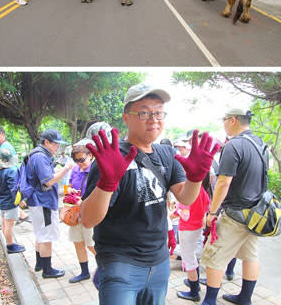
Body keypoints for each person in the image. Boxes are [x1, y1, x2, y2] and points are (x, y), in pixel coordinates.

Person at [80, 83, 220, 305]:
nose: (154, 118)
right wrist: (107, 183)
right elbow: (87, 220)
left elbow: (185, 197)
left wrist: (196, 178)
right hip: (120, 264)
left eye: (158, 112)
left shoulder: (166, 154)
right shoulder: (111, 158)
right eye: (144, 112)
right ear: (126, 118)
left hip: (159, 263)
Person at [199, 108, 267, 305]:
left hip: (235, 214)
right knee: (250, 256)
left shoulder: (233, 146)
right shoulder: (260, 143)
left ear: (234, 120)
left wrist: (212, 213)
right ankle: (245, 298)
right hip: (256, 213)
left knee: (215, 257)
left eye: (224, 119)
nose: (223, 123)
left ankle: (209, 301)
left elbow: (223, 182)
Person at [26, 129, 71, 278]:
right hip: (43, 202)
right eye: (55, 143)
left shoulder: (38, 154)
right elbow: (48, 180)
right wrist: (65, 169)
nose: (58, 146)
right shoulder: (40, 157)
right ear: (46, 142)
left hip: (37, 201)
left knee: (40, 233)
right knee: (47, 236)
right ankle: (48, 270)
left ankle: (40, 263)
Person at [65, 139, 98, 285]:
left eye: (81, 159)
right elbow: (69, 185)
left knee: (92, 244)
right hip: (75, 212)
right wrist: (70, 190)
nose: (79, 163)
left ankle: (106, 268)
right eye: (76, 160)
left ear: (90, 155)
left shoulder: (96, 170)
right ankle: (84, 272)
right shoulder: (76, 170)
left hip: (90, 213)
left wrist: (84, 203)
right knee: (78, 242)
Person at [177, 173, 212, 301]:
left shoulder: (189, 192)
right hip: (197, 228)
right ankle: (195, 284)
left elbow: (184, 214)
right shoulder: (203, 191)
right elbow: (207, 208)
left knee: (189, 260)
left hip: (187, 229)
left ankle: (194, 292)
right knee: (192, 257)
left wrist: (176, 210)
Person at [0, 147, 26, 254]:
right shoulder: (11, 171)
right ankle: (10, 246)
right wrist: (19, 200)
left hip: (1, 201)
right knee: (9, 225)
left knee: (5, 224)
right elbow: (13, 188)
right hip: (10, 202)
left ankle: (9, 243)